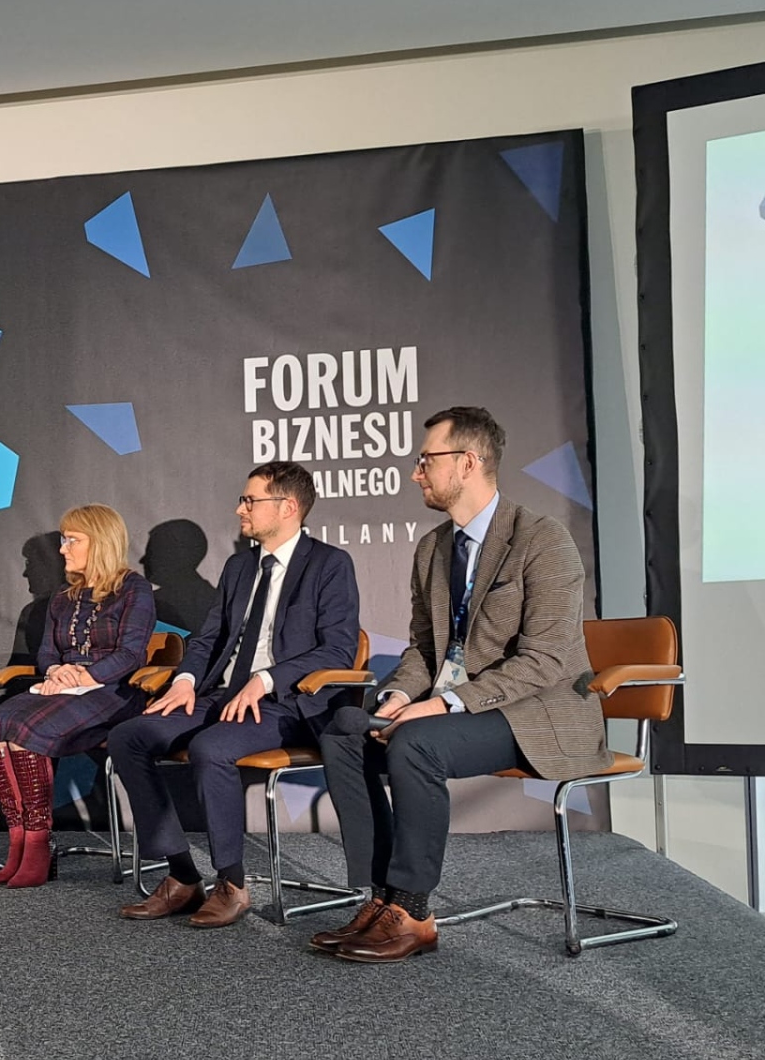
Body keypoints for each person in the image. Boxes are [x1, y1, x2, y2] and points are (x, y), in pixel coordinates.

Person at [315, 406, 611, 963]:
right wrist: (400, 695)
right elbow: (424, 650)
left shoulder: (542, 540)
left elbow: (545, 661)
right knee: (343, 730)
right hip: (451, 707)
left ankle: (413, 911)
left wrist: (441, 706)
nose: (416, 473)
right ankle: (380, 897)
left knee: (416, 742)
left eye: (426, 459)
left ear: (468, 462)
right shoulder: (433, 548)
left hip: (536, 712)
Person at [109, 461, 359, 929]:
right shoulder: (240, 566)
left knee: (211, 747)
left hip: (285, 703)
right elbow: (209, 638)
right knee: (129, 736)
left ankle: (231, 883)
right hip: (220, 695)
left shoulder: (329, 565)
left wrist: (266, 679)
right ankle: (183, 876)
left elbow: (338, 650)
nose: (239, 509)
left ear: (287, 507)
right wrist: (184, 680)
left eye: (249, 500)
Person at [0, 504, 155, 889]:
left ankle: (38, 847)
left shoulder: (133, 589)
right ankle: (18, 841)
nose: (62, 549)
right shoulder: (63, 596)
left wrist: (85, 675)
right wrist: (57, 671)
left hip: (112, 691)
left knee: (24, 732)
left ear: (100, 542)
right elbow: (46, 652)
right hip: (62, 687)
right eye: (63, 539)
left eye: (72, 540)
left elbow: (131, 654)